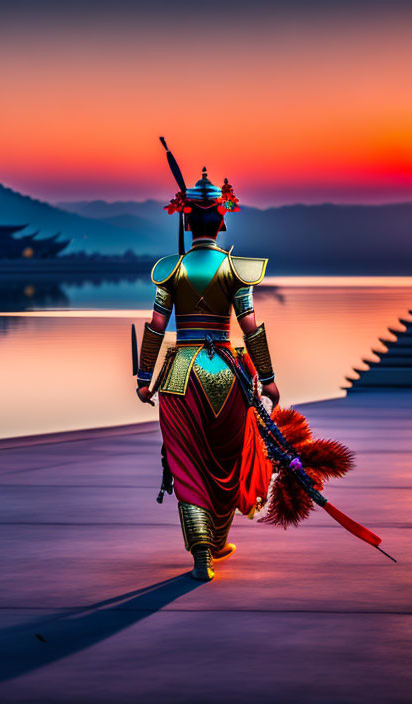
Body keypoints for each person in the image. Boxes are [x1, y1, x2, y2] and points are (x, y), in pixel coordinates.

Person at [135, 167, 279, 581]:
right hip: (228, 373)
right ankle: (215, 540)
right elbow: (250, 327)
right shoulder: (236, 270)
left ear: (185, 220)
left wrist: (145, 378)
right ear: (222, 220)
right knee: (225, 458)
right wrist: (267, 378)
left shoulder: (169, 269)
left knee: (188, 461)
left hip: (180, 372)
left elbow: (156, 328)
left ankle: (203, 551)